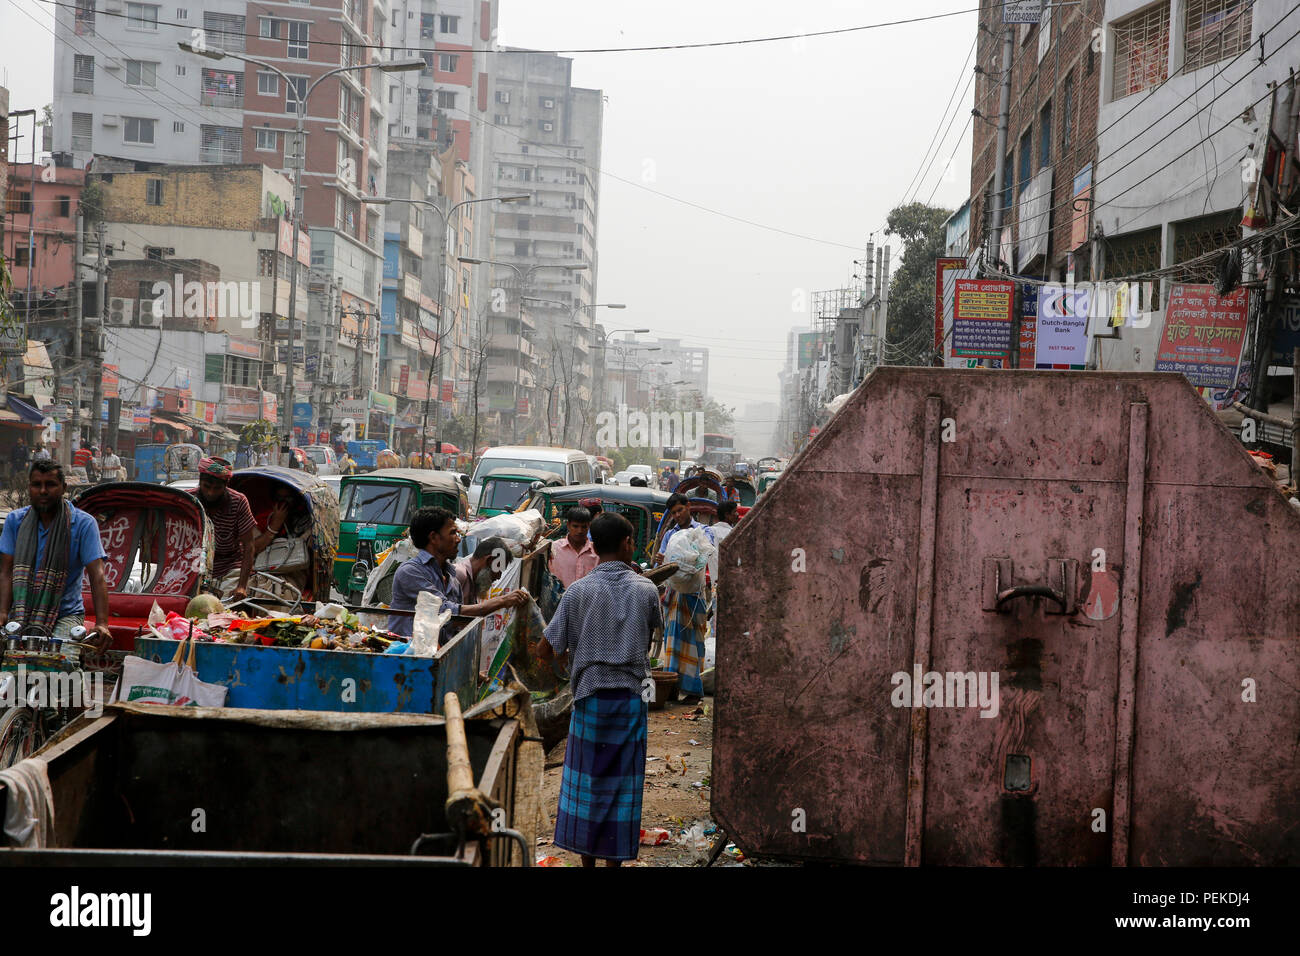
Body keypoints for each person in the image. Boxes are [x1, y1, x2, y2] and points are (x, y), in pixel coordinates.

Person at [534, 512, 662, 867]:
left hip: (590, 697)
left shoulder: (578, 591)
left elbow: (546, 649)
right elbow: (653, 637)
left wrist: (567, 663)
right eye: (632, 540)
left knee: (586, 785)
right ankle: (613, 863)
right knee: (622, 788)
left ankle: (586, 862)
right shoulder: (646, 590)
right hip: (630, 699)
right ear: (625, 545)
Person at [0, 461, 112, 646]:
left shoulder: (84, 524)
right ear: (29, 487)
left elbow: (97, 575)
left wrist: (102, 624)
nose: (43, 491)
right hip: (19, 612)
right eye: (37, 485)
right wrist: (3, 611)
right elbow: (6, 571)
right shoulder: (15, 521)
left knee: (62, 666)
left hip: (65, 614)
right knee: (9, 667)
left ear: (63, 488)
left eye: (50, 484)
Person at [386, 507, 527, 640]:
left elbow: (454, 626)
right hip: (408, 657)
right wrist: (502, 601)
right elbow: (446, 612)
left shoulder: (451, 577)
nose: (458, 539)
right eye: (453, 533)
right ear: (434, 538)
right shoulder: (410, 571)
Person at [654, 493, 715, 705]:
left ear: (688, 506)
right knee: (672, 641)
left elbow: (705, 555)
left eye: (680, 510)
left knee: (693, 642)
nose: (678, 515)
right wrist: (663, 560)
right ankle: (671, 687)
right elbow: (660, 566)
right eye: (674, 513)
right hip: (673, 596)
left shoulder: (703, 531)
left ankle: (693, 690)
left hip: (694, 595)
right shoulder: (670, 535)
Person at [194, 456, 256, 601]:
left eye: (217, 488)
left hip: (229, 567)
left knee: (225, 607)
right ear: (200, 482)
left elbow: (249, 545)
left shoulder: (239, 501)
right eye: (206, 487)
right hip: (194, 566)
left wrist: (242, 586)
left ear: (226, 485)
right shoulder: (189, 500)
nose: (210, 493)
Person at [453, 536, 513, 605]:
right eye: (499, 569)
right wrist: (501, 601)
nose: (499, 577)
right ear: (490, 560)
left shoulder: (472, 581)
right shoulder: (459, 574)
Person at [549, 506, 597, 588]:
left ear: (589, 526)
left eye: (584, 527)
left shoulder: (596, 552)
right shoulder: (554, 548)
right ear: (568, 525)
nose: (580, 531)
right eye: (575, 526)